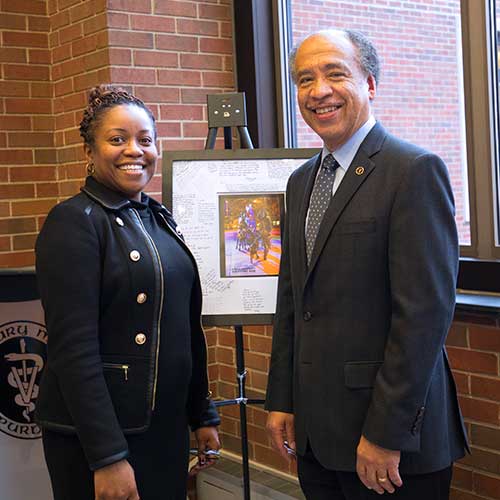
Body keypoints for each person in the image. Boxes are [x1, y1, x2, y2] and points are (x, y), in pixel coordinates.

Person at [265, 30, 468, 500]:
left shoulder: (413, 171)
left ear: (370, 84)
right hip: (317, 437)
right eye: (305, 79)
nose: (319, 91)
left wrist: (385, 434)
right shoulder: (300, 182)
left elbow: (423, 318)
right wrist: (283, 400)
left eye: (336, 73)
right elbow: (293, 303)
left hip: (388, 446)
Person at [35, 85, 220, 500]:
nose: (134, 150)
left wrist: (200, 413)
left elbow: (184, 330)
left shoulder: (157, 218)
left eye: (145, 139)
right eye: (117, 139)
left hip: (162, 428)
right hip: (101, 436)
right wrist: (107, 457)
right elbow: (73, 350)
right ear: (89, 151)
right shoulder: (74, 222)